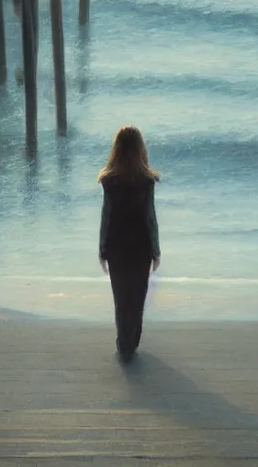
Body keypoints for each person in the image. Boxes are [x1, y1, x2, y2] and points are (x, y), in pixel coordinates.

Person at [98, 125, 161, 362]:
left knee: (121, 298)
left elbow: (107, 217)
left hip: (117, 247)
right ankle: (131, 342)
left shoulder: (109, 181)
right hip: (140, 247)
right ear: (140, 150)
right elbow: (149, 218)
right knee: (137, 297)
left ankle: (123, 342)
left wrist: (102, 249)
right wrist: (155, 250)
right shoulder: (147, 181)